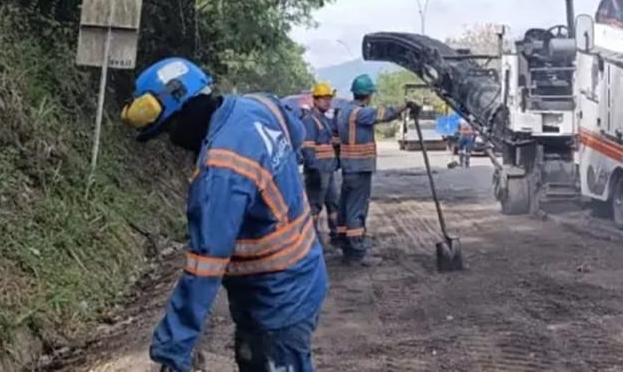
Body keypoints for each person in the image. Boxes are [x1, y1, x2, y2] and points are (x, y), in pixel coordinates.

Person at [119, 57, 327, 372]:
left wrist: (173, 348)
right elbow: (296, 132)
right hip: (304, 272)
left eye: (171, 128)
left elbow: (206, 264)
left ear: (187, 109)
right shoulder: (257, 105)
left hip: (277, 298)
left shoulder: (221, 171)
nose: (173, 140)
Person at [335, 74, 415, 266]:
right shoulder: (359, 113)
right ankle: (356, 252)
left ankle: (346, 247)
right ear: (368, 94)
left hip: (349, 167)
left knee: (345, 208)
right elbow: (383, 114)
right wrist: (405, 106)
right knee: (356, 210)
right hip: (359, 167)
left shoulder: (344, 111)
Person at [300, 81, 340, 248]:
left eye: (329, 98)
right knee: (315, 207)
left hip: (328, 169)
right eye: (324, 99)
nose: (327, 102)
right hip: (317, 171)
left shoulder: (325, 120)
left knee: (333, 204)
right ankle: (313, 241)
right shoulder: (310, 121)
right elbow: (307, 148)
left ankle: (336, 236)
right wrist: (313, 169)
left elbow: (331, 139)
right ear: (315, 100)